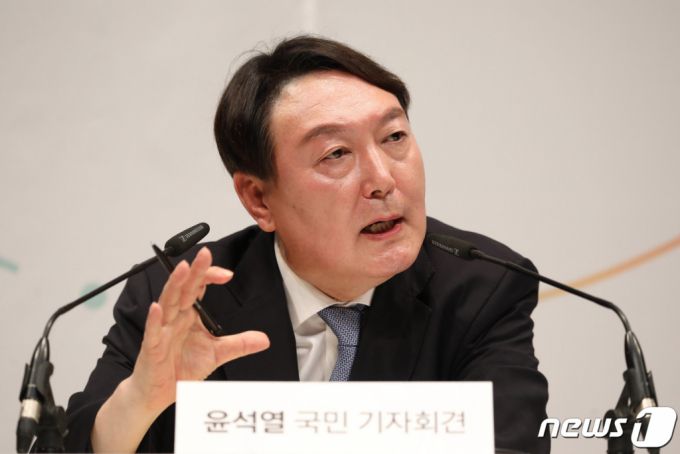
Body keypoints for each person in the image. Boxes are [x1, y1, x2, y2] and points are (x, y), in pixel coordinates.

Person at [65, 35, 549, 454]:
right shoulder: (184, 299)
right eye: (336, 154)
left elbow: (510, 442)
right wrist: (141, 402)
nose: (383, 180)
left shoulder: (482, 289)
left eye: (394, 136)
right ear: (259, 199)